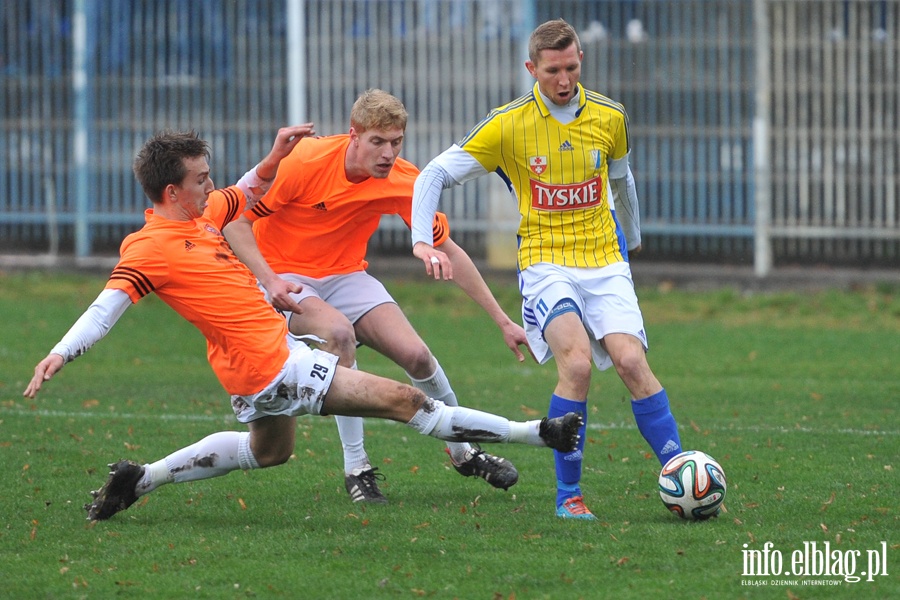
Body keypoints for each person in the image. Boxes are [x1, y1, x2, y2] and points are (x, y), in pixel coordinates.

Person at [22, 127, 584, 522]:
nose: (209, 187)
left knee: (268, 454)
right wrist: (61, 352)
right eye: (200, 180)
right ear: (173, 192)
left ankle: (140, 478)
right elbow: (106, 306)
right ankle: (539, 434)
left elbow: (247, 189)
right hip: (278, 365)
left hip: (248, 373)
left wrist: (271, 157)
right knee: (408, 402)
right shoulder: (148, 248)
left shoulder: (205, 215)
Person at [410, 19, 682, 520]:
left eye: (572, 67)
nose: (563, 79)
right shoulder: (508, 124)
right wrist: (422, 241)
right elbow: (434, 174)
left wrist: (634, 237)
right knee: (576, 365)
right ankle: (568, 497)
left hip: (604, 259)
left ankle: (682, 474)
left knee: (631, 363)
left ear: (581, 60)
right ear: (531, 68)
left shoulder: (610, 116)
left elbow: (621, 181)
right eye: (552, 70)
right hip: (544, 262)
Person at [223, 89, 529, 504]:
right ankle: (357, 469)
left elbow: (448, 249)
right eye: (378, 142)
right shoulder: (306, 161)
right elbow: (235, 222)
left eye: (396, 142)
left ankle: (463, 453)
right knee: (339, 333)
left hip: (347, 275)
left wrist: (503, 320)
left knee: (418, 356)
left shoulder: (405, 179)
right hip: (287, 277)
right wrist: (270, 281)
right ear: (353, 135)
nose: (388, 153)